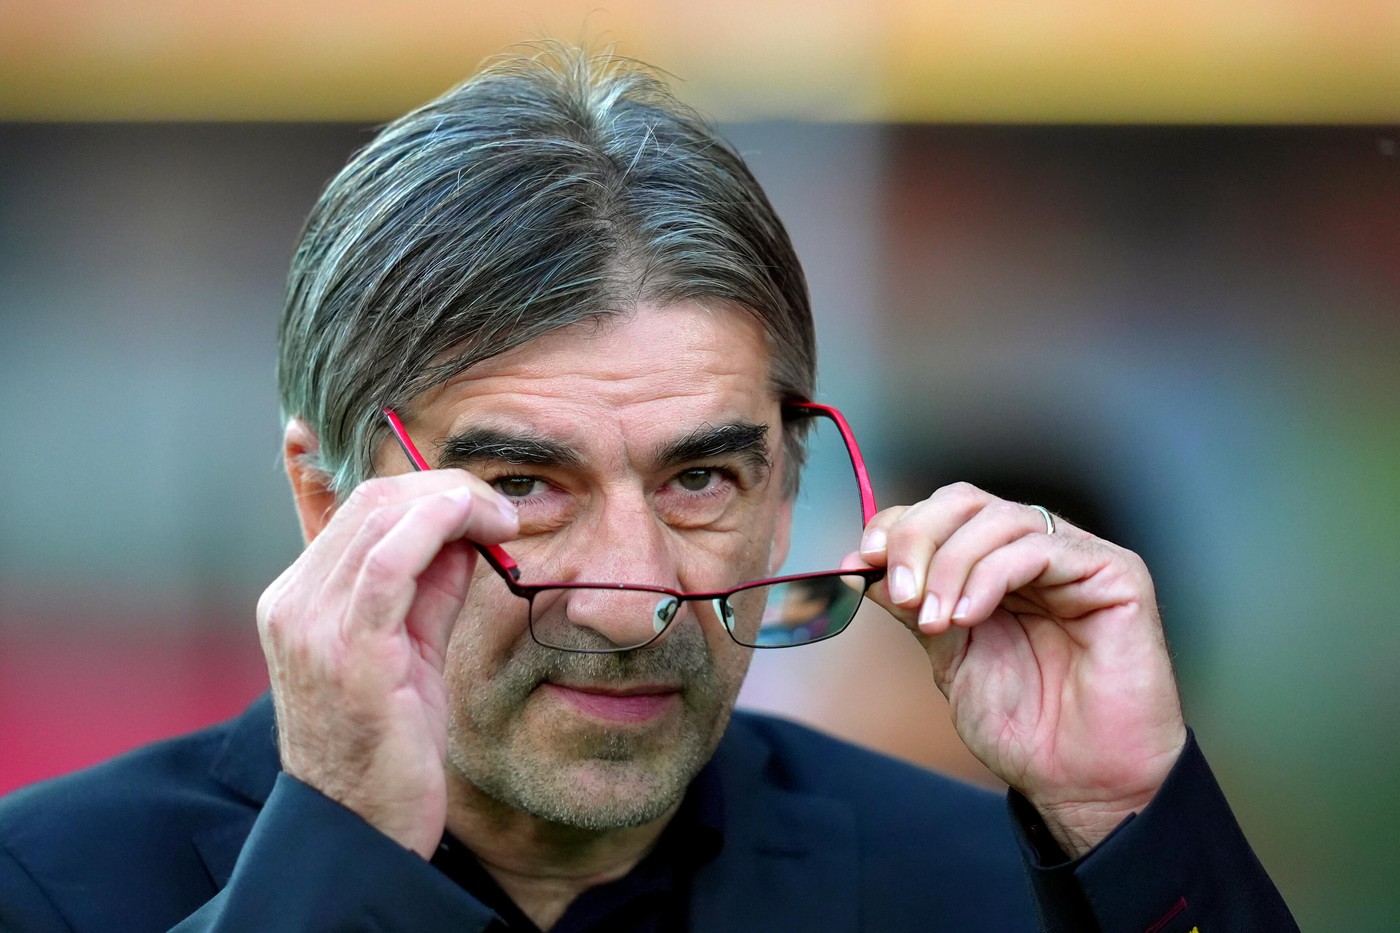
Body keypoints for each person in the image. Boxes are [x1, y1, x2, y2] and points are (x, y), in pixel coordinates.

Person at [0, 45, 1297, 932]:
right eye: (523, 482)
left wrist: (1137, 821)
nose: (635, 608)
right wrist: (335, 862)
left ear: (788, 486)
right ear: (325, 501)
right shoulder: (51, 885)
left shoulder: (986, 885)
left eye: (701, 477)